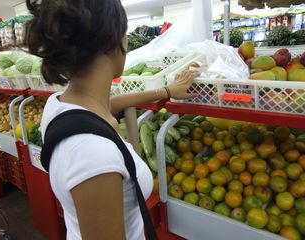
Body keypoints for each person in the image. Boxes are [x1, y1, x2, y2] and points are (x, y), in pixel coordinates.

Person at [26, 0, 198, 239]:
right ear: (116, 41)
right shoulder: (93, 153)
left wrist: (166, 91)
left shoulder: (60, 104)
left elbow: (105, 106)